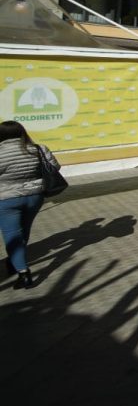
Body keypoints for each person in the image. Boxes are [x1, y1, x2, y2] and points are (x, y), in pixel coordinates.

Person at [0, 121, 58, 288]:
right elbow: (54, 167)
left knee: (12, 235)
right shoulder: (38, 149)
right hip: (35, 196)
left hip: (7, 199)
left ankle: (23, 273)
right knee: (24, 231)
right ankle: (14, 261)